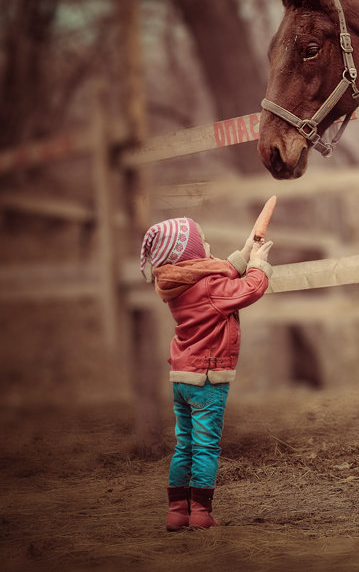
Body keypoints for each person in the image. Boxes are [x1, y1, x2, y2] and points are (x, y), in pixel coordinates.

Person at [139, 217, 273, 531]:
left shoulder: (175, 283)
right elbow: (248, 290)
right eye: (204, 243)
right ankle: (201, 511)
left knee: (183, 445)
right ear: (192, 254)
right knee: (206, 446)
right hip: (208, 379)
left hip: (183, 377)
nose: (209, 247)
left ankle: (176, 512)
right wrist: (257, 265)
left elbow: (216, 271)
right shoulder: (210, 287)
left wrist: (243, 252)